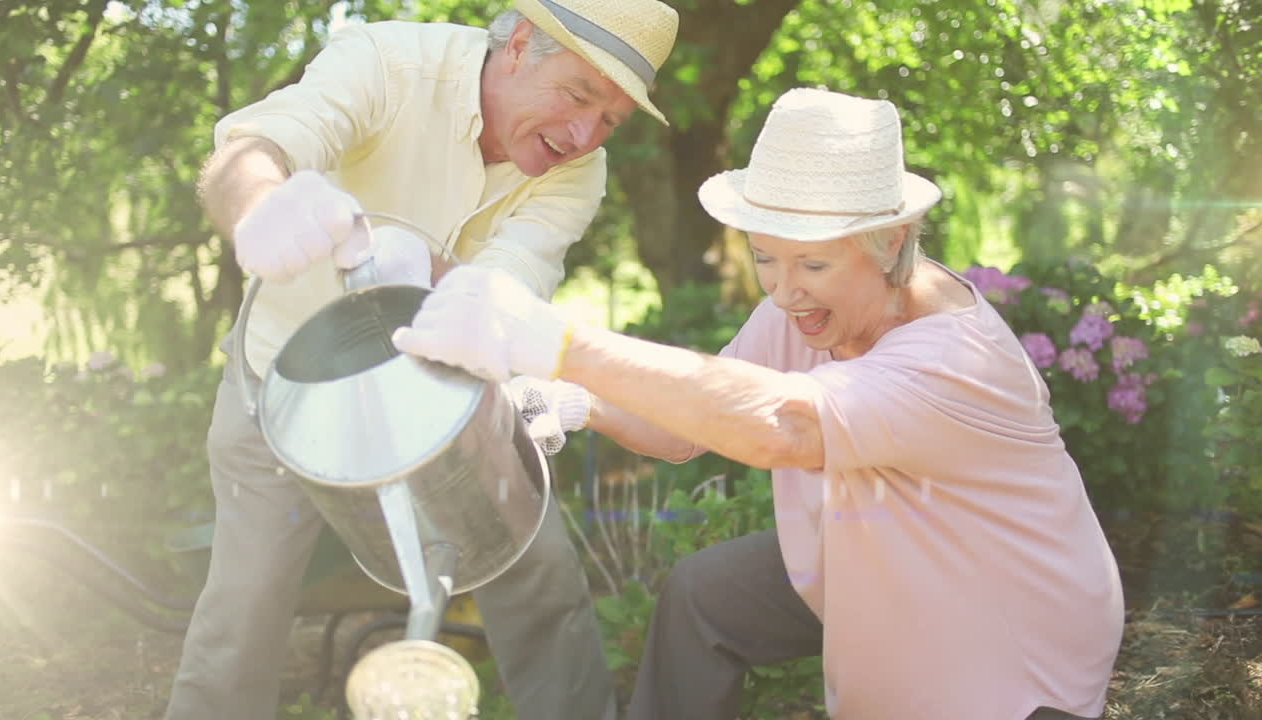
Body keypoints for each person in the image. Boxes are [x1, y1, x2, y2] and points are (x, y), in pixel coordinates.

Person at [392, 88, 1126, 720]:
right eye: (765, 256)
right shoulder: (806, 308)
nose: (782, 289)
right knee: (704, 595)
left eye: (810, 262)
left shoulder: (955, 358)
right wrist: (573, 400)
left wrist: (553, 340)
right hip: (873, 555)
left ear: (891, 241)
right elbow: (689, 425)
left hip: (1005, 641)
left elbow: (782, 425)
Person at [166, 2, 679, 719]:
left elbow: (504, 293)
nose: (584, 135)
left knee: (540, 578)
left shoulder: (577, 173)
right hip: (287, 390)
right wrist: (262, 207)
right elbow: (253, 149)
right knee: (244, 609)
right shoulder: (387, 63)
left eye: (612, 120)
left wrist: (420, 269)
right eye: (578, 95)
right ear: (521, 43)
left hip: (448, 392)